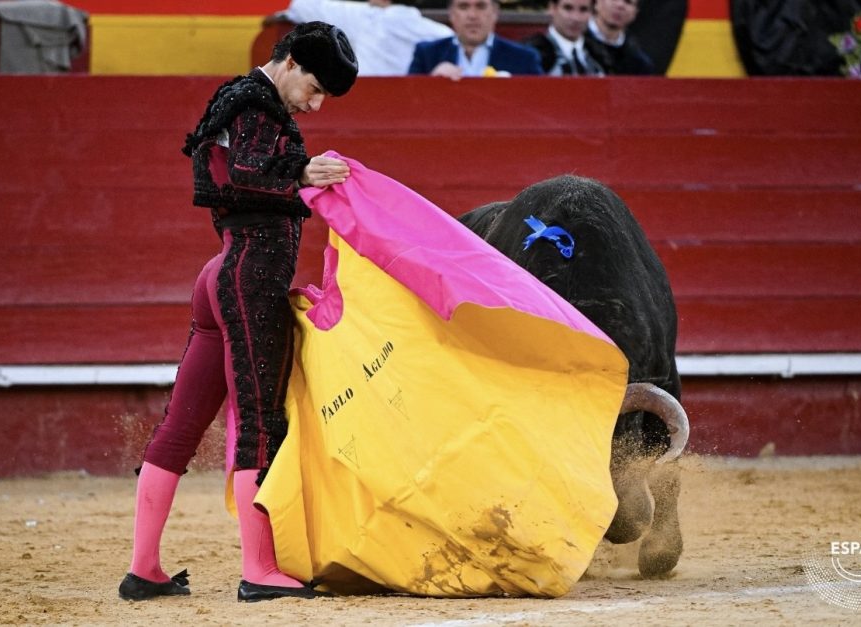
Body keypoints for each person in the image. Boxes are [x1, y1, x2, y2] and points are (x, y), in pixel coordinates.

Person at [117, 21, 358, 603]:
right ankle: (259, 569)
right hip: (249, 276)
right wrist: (300, 174)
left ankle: (143, 567)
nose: (317, 104)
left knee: (182, 424)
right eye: (316, 88)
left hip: (222, 272)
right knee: (258, 418)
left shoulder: (238, 102)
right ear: (291, 61)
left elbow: (227, 175)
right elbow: (238, 177)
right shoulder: (257, 108)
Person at [284, 0, 453, 76]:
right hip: (412, 108)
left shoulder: (366, 17)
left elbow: (300, 6)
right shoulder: (440, 32)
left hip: (364, 104)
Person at [408, 0, 543, 79]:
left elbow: (540, 107)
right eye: (463, 6)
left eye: (481, 6)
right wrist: (431, 82)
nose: (472, 15)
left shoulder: (523, 58)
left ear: (495, 13)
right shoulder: (427, 54)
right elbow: (408, 104)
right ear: (451, 14)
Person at [522, 0, 605, 76]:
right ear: (552, 8)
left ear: (592, 13)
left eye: (583, 9)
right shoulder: (532, 53)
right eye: (568, 8)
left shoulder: (601, 55)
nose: (575, 18)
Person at [585, 0, 655, 76]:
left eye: (628, 2)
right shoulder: (574, 47)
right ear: (596, 2)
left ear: (635, 12)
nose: (620, 5)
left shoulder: (639, 63)